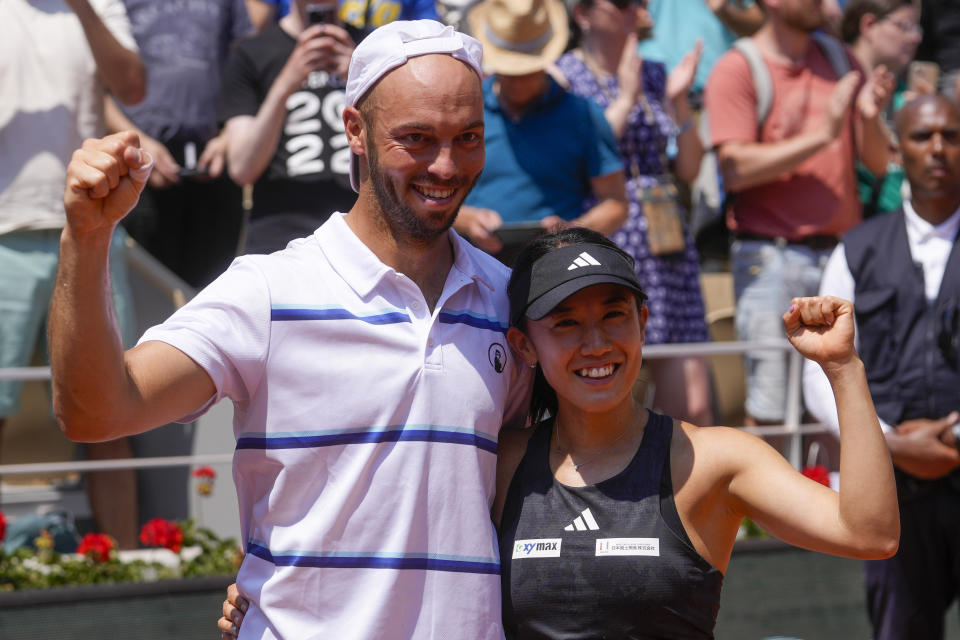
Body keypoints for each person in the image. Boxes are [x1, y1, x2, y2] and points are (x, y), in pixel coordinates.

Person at [51, 20, 531, 638]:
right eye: (416, 138)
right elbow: (96, 412)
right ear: (355, 130)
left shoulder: (508, 299)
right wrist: (86, 240)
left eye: (468, 137)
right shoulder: (269, 291)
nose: (446, 164)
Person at [223, 227, 899, 639]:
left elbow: (870, 534)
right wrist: (261, 588)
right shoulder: (500, 463)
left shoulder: (711, 459)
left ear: (642, 322)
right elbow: (375, 532)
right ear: (524, 346)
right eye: (566, 324)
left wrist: (842, 366)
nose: (596, 343)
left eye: (614, 315)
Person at [803, 93, 960, 640]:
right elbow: (819, 374)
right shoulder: (858, 248)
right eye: (922, 136)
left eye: (951, 135)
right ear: (898, 148)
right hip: (893, 488)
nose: (938, 149)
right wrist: (891, 443)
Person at [704, 0, 894, 427]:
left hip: (842, 259)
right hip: (772, 261)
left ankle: (837, 496)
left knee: (844, 408)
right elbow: (734, 170)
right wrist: (822, 135)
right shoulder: (737, 68)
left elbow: (879, 163)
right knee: (772, 413)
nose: (828, 4)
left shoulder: (839, 58)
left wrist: (869, 117)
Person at [0, 0, 146, 549]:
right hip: (4, 232)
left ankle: (128, 566)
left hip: (93, 229)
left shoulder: (100, 4)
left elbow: (132, 87)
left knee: (112, 410)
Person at [554, 0, 714, 426]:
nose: (635, 11)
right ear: (583, 13)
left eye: (639, 3)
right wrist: (625, 97)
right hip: (609, 234)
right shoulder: (562, 78)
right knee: (609, 388)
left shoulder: (657, 74)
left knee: (694, 410)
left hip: (667, 240)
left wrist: (680, 105)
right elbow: (578, 166)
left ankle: (685, 489)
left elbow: (691, 169)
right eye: (622, 3)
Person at [454, 0, 628, 262]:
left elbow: (616, 202)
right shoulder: (464, 111)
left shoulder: (583, 115)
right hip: (471, 266)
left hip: (555, 270)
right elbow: (428, 194)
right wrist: (467, 220)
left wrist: (571, 232)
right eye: (509, 72)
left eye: (526, 72)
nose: (518, 81)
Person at [106, 0, 254, 288]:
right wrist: (139, 145)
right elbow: (92, 88)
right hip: (137, 161)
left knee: (212, 290)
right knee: (145, 291)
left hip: (214, 159)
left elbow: (249, 64)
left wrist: (227, 137)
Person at [218, 0, 357, 254]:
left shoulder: (371, 48)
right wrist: (287, 82)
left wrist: (360, 77)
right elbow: (241, 168)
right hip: (280, 239)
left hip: (360, 235)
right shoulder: (251, 53)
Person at [841, 0, 923, 219]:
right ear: (868, 25)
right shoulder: (829, 84)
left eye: (917, 28)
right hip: (835, 232)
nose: (916, 37)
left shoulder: (904, 97)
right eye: (905, 26)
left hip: (888, 232)